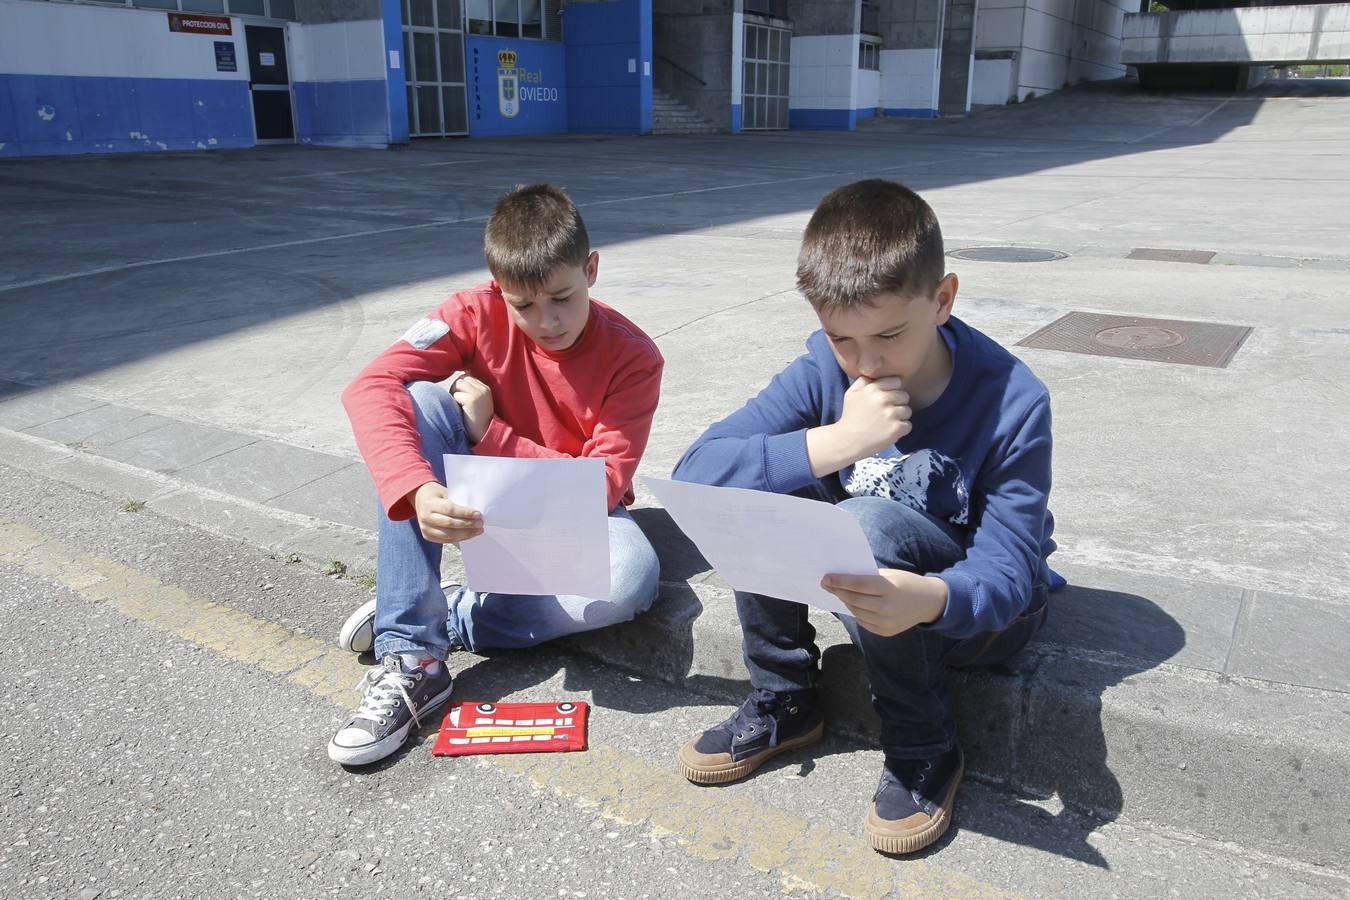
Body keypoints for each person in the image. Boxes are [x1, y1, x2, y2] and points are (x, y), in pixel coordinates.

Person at [671, 179, 1058, 854]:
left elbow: (1009, 575)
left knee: (869, 523)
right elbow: (698, 470)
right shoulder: (828, 368)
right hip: (873, 591)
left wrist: (929, 600)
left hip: (973, 615)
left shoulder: (1011, 399)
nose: (866, 363)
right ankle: (785, 697)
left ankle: (924, 744)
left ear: (942, 300)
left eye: (888, 335)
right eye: (842, 339)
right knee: (762, 487)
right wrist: (838, 441)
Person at [328, 184, 664, 766]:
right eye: (523, 305)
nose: (547, 321)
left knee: (631, 577)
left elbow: (600, 485)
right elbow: (369, 386)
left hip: (570, 507)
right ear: (496, 287)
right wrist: (416, 487)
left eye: (562, 297)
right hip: (479, 500)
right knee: (421, 403)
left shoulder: (634, 357)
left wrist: (491, 434)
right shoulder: (470, 311)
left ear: (591, 269)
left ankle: (450, 611)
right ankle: (413, 655)